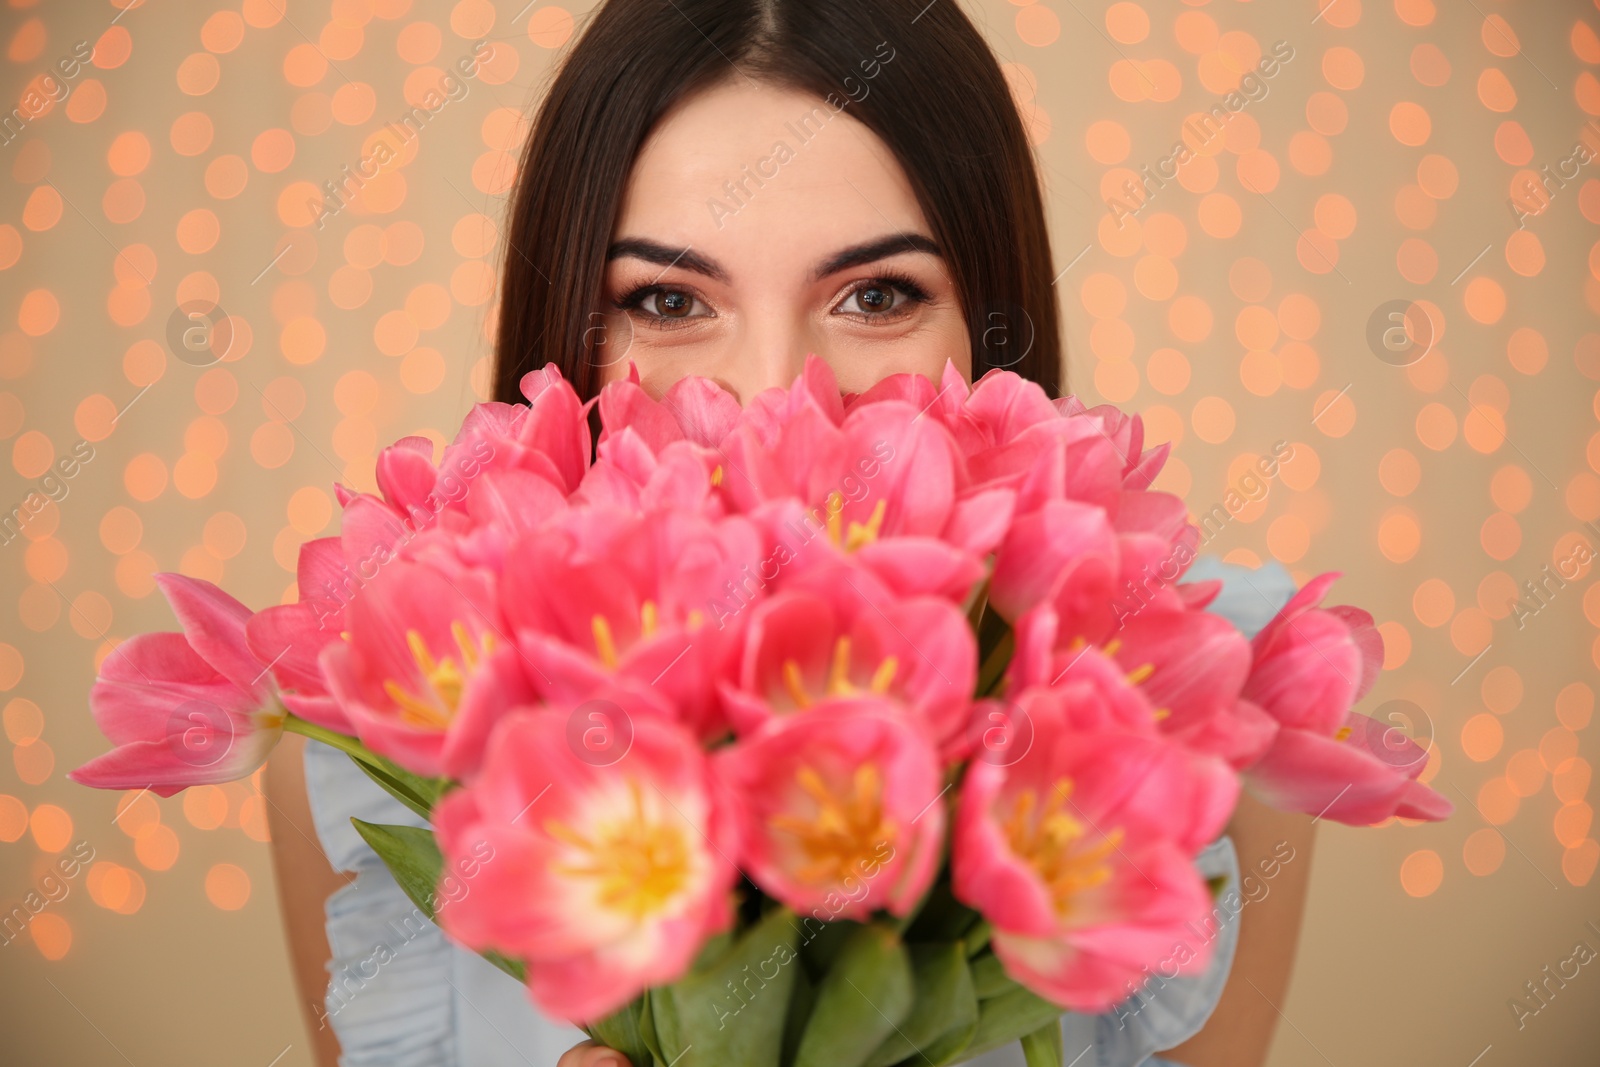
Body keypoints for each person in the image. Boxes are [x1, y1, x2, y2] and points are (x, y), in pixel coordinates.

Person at [264, 1, 1318, 1064]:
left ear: (994, 328)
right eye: (669, 300)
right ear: (565, 340)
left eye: (875, 293)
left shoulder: (1196, 696)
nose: (774, 396)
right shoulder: (369, 743)